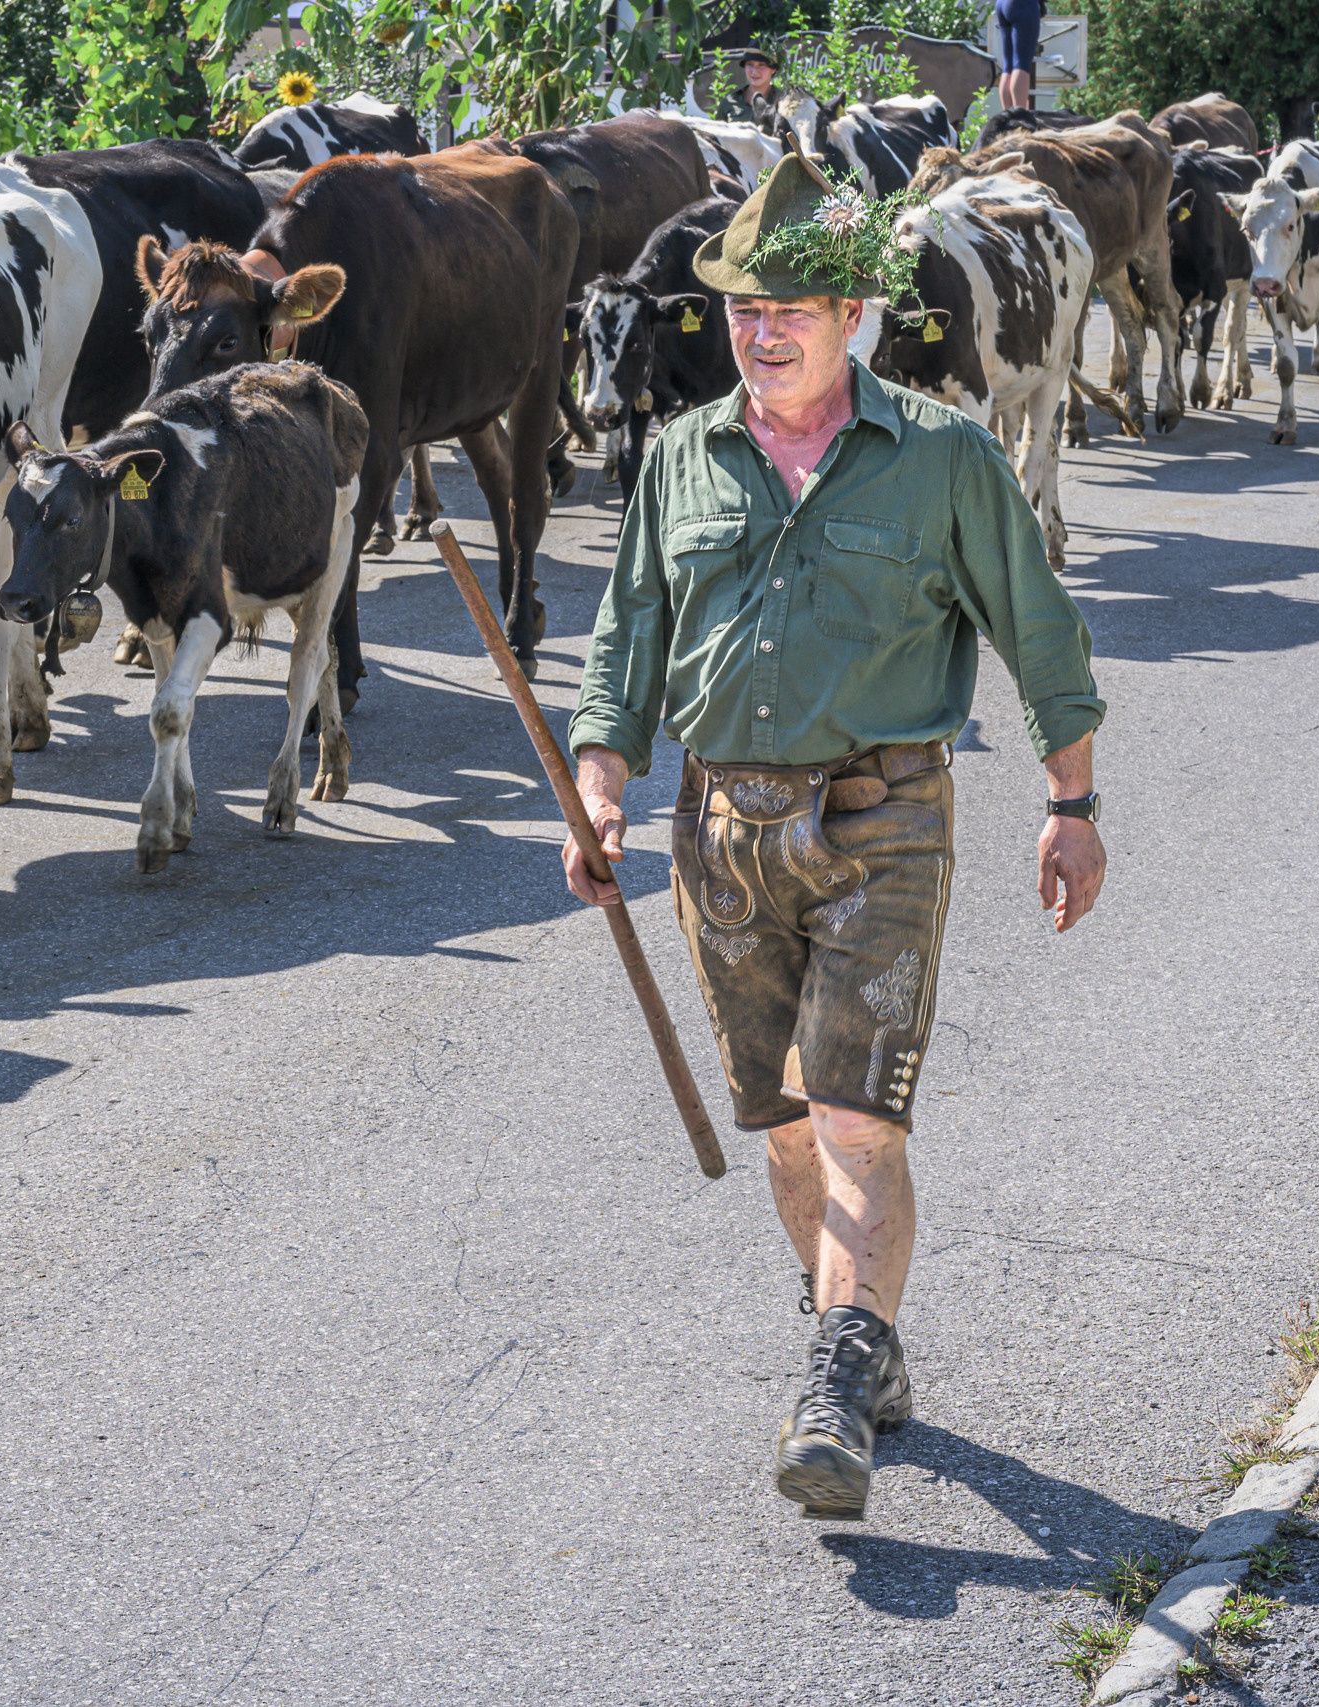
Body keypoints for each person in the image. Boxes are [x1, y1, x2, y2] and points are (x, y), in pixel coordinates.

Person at [562, 155, 1107, 1522]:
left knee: (858, 1115)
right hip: (723, 832)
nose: (765, 326)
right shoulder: (683, 458)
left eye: (796, 301)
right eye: (747, 304)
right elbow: (626, 637)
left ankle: (829, 1382)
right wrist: (602, 780)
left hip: (884, 823)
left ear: (857, 307)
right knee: (790, 1125)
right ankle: (860, 1339)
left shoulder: (943, 458)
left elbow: (1039, 634)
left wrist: (1073, 802)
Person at [995, 0, 1043, 112]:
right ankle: (1020, 116)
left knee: (1008, 67)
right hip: (1023, 4)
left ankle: (1007, 116)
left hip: (1001, 4)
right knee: (1021, 64)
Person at [714, 47, 780, 125]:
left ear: (773, 69)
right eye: (750, 64)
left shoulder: (784, 102)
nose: (754, 72)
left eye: (761, 65)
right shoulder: (728, 103)